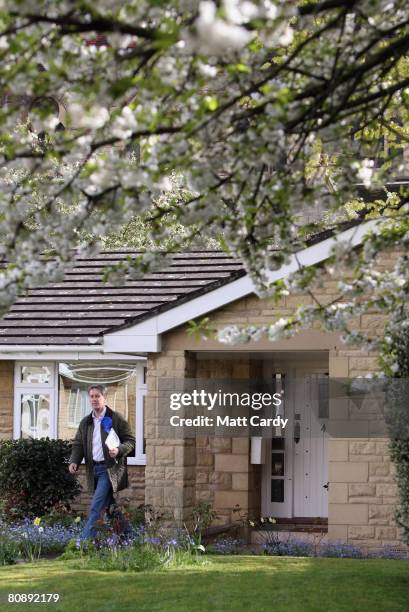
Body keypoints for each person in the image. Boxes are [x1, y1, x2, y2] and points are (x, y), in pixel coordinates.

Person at [68, 384, 135, 540]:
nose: (94, 399)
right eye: (91, 396)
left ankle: (83, 544)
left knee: (96, 507)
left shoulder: (115, 418)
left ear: (104, 398)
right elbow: (78, 443)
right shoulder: (86, 422)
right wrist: (74, 461)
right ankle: (129, 536)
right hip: (94, 470)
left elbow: (130, 441)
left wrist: (119, 450)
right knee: (110, 507)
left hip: (109, 470)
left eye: (97, 396)